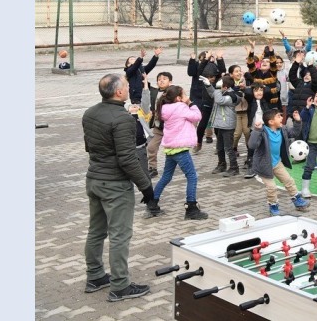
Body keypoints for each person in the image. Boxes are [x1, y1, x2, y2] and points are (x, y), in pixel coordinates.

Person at [83, 74, 154, 302]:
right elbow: (127, 159)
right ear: (119, 92)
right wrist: (146, 186)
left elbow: (89, 147)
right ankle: (120, 286)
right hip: (115, 185)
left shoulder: (90, 113)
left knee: (96, 231)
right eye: (126, 86)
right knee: (119, 236)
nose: (128, 88)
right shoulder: (123, 119)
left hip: (94, 179)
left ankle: (95, 276)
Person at [147, 85, 209, 220]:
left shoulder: (164, 108)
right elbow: (197, 116)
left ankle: (152, 204)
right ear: (178, 98)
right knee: (192, 176)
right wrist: (190, 103)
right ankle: (191, 208)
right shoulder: (181, 107)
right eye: (184, 94)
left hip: (170, 148)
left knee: (166, 177)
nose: (186, 96)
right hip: (180, 149)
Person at [248, 108, 311, 216]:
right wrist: (256, 130)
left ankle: (297, 201)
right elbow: (252, 145)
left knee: (289, 181)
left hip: (277, 162)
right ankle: (273, 206)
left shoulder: (282, 129)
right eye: (279, 116)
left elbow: (295, 132)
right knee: (272, 187)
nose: (282, 118)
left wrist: (297, 121)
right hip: (264, 166)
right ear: (271, 122)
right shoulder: (262, 132)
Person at [209, 74, 242, 175]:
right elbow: (213, 94)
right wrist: (208, 85)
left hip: (227, 126)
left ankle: (234, 167)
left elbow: (219, 100)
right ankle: (222, 165)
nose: (218, 86)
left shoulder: (231, 96)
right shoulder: (221, 92)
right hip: (221, 124)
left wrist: (217, 89)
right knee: (219, 147)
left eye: (220, 84)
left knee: (228, 148)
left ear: (225, 87)